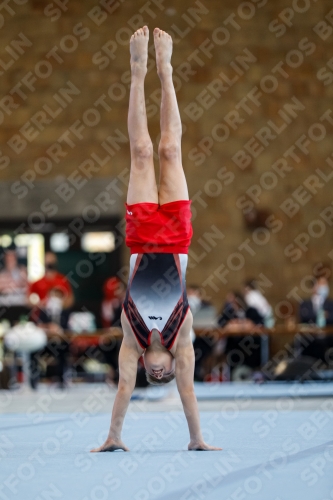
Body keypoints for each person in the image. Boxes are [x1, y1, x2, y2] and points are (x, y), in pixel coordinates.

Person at [91, 27, 221, 453]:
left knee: (142, 152)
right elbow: (189, 393)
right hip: (177, 239)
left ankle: (138, 70)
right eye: (166, 377)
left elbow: (123, 389)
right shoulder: (182, 339)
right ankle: (166, 71)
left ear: (147, 364)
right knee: (170, 150)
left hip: (143, 237)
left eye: (155, 376)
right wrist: (197, 439)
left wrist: (113, 436)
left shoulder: (131, 340)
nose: (161, 376)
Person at [299, 275, 333, 362]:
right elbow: (304, 317)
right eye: (322, 283)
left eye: (325, 284)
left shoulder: (330, 304)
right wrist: (319, 315)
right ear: (314, 286)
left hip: (328, 337)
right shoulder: (305, 303)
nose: (324, 286)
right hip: (310, 337)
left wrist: (327, 317)